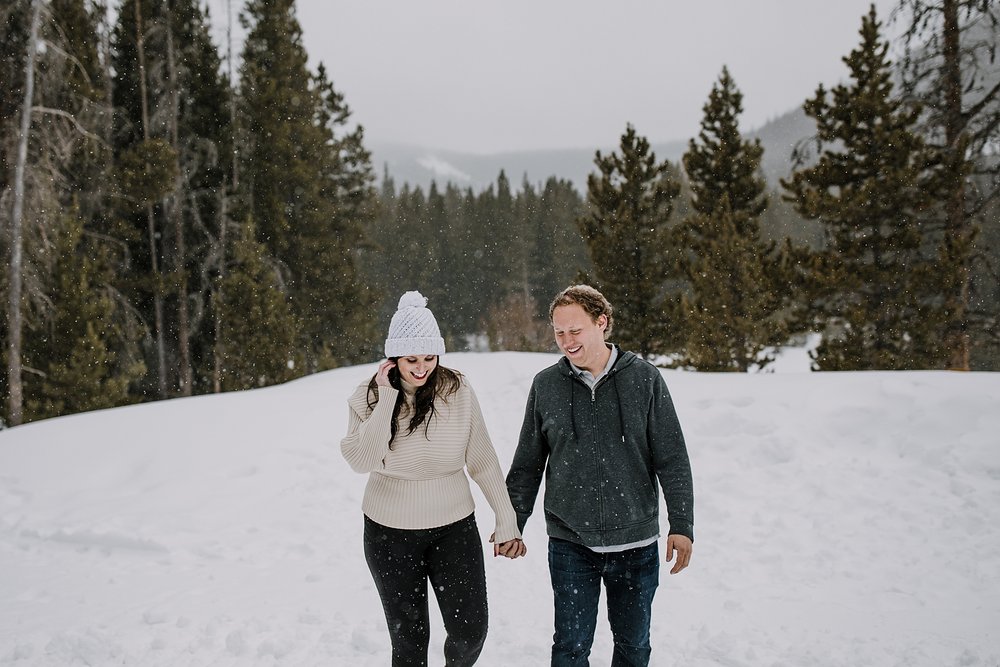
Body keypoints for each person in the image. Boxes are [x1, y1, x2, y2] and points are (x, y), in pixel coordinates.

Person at [506, 284, 694, 666]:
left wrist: (682, 524)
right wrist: (512, 521)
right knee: (570, 650)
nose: (566, 341)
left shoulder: (644, 379)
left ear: (601, 323)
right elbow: (527, 464)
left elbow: (672, 458)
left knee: (633, 648)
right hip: (571, 543)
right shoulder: (547, 386)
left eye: (575, 331)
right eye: (559, 332)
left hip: (636, 542)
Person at [341, 290, 526, 667]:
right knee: (410, 641)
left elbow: (483, 459)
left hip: (453, 529)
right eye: (411, 359)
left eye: (429, 357)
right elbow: (361, 459)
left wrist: (507, 519)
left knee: (470, 631)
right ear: (393, 358)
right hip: (389, 534)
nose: (422, 367)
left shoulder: (456, 389)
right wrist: (389, 397)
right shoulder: (368, 395)